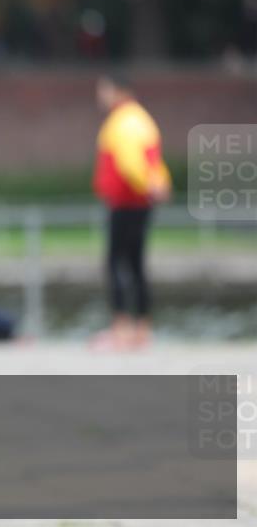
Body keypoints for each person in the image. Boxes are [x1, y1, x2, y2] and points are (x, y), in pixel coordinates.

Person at [91, 74, 171, 351]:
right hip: (142, 204)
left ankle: (121, 329)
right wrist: (160, 185)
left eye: (104, 89)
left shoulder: (121, 121)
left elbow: (129, 164)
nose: (100, 96)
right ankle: (142, 330)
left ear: (118, 91)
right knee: (137, 265)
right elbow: (154, 162)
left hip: (125, 202)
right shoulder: (144, 119)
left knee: (116, 263)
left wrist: (147, 185)